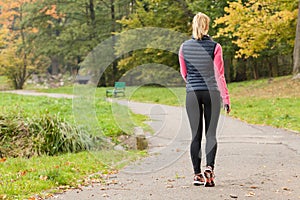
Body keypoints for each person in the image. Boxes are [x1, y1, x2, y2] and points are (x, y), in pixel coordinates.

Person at [178, 12, 231, 187]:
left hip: (192, 93)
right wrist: (226, 98)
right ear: (207, 26)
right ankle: (209, 168)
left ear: (193, 25)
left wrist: (194, 84)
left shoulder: (184, 47)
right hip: (212, 93)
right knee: (211, 134)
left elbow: (184, 73)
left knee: (195, 136)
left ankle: (197, 175)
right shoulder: (215, 47)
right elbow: (219, 75)